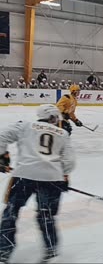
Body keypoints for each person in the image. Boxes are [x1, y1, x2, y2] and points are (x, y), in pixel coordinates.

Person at [0, 104, 75, 263]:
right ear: (54, 118)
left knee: (11, 213)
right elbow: (69, 161)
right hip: (51, 179)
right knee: (46, 215)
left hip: (23, 176)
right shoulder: (63, 133)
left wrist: (2, 156)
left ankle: (4, 249)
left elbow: (2, 135)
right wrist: (64, 175)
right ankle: (51, 249)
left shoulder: (25, 126)